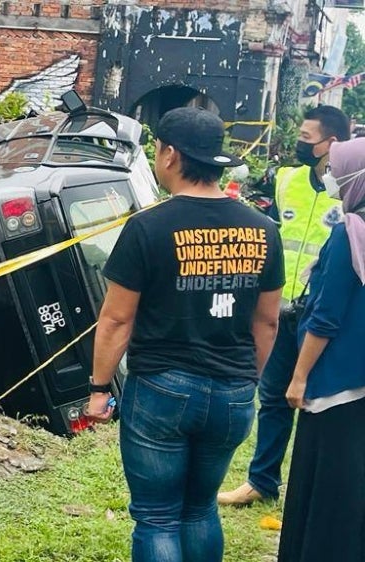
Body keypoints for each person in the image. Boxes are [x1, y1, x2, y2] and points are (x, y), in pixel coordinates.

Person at [86, 107, 284, 562]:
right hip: (234, 393)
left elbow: (116, 320)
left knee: (157, 516)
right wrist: (245, 378)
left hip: (162, 389)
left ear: (171, 155)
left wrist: (99, 390)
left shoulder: (148, 227)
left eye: (157, 148)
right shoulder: (263, 229)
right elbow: (267, 321)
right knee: (199, 509)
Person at [218, 105, 351, 506]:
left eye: (307, 138)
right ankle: (261, 481)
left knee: (319, 402)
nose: (299, 144)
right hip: (282, 310)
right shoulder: (287, 179)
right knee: (274, 398)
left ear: (332, 143)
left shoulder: (352, 189)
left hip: (326, 316)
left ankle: (313, 488)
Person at [276, 138, 365, 561]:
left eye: (335, 168)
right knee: (351, 485)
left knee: (323, 486)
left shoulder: (349, 234)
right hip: (359, 377)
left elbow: (325, 316)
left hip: (333, 382)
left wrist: (298, 377)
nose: (330, 176)